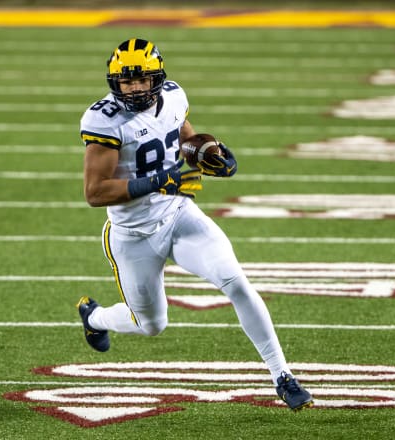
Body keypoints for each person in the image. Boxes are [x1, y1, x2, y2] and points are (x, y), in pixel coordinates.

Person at [77, 38, 313, 411]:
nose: (135, 87)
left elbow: (185, 138)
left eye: (142, 79)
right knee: (151, 324)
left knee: (235, 280)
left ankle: (282, 374)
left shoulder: (172, 97)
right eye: (126, 80)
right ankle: (96, 317)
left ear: (158, 78)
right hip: (133, 234)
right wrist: (156, 181)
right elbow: (95, 192)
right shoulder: (104, 120)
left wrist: (209, 152)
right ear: (114, 81)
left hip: (177, 215)